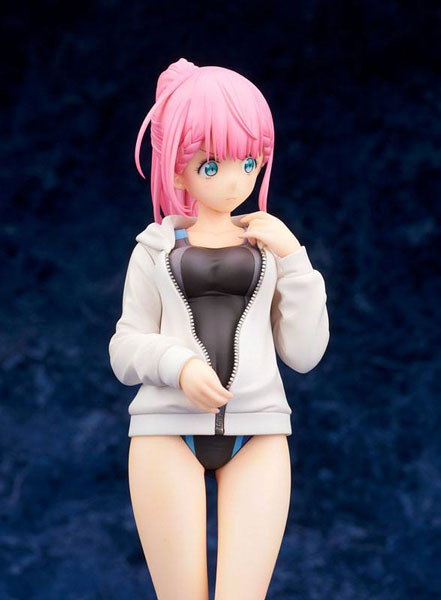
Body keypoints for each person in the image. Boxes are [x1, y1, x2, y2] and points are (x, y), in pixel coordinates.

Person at [109, 57, 330, 600]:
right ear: (176, 168)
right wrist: (178, 365)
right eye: (211, 164)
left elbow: (304, 354)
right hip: (166, 430)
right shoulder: (154, 249)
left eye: (249, 161)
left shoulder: (271, 249)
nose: (234, 179)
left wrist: (297, 263)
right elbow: (124, 348)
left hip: (260, 432)